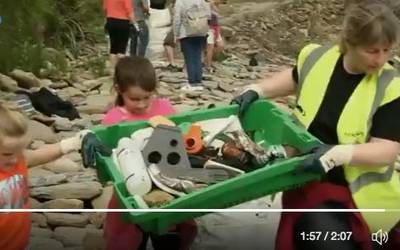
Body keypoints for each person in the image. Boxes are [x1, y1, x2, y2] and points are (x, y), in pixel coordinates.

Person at [233, 2, 400, 250]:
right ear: (350, 42)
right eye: (372, 51)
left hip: (362, 199)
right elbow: (294, 78)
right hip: (308, 181)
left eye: (387, 50)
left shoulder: (390, 86)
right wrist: (258, 89)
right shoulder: (317, 57)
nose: (381, 59)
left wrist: (340, 154)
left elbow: (386, 151)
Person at [102, 56, 198, 250]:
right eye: (134, 99)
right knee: (129, 239)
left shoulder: (165, 109)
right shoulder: (113, 120)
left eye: (147, 97)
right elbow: (108, 162)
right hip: (132, 191)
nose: (142, 104)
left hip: (168, 192)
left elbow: (179, 139)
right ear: (120, 90)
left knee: (170, 237)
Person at [0, 104, 95, 250]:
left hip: (19, 241)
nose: (16, 159)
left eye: (20, 150)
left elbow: (38, 155)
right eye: (7, 154)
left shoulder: (17, 158)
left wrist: (73, 142)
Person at [174, 0, 210, 91]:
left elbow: (177, 18)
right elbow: (208, 15)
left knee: (189, 58)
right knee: (197, 56)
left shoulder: (180, 1)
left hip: (186, 32)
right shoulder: (202, 1)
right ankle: (198, 81)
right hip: (201, 31)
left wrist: (176, 33)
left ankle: (192, 83)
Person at [103, 0, 136, 69]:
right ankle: (121, 71)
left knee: (113, 48)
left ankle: (113, 70)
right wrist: (134, 22)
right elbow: (128, 9)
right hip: (122, 21)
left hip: (110, 20)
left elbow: (105, 9)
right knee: (122, 47)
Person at [204, 0, 224, 74]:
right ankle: (208, 66)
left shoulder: (216, 6)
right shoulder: (209, 4)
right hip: (209, 28)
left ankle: (208, 59)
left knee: (220, 46)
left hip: (216, 27)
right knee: (210, 47)